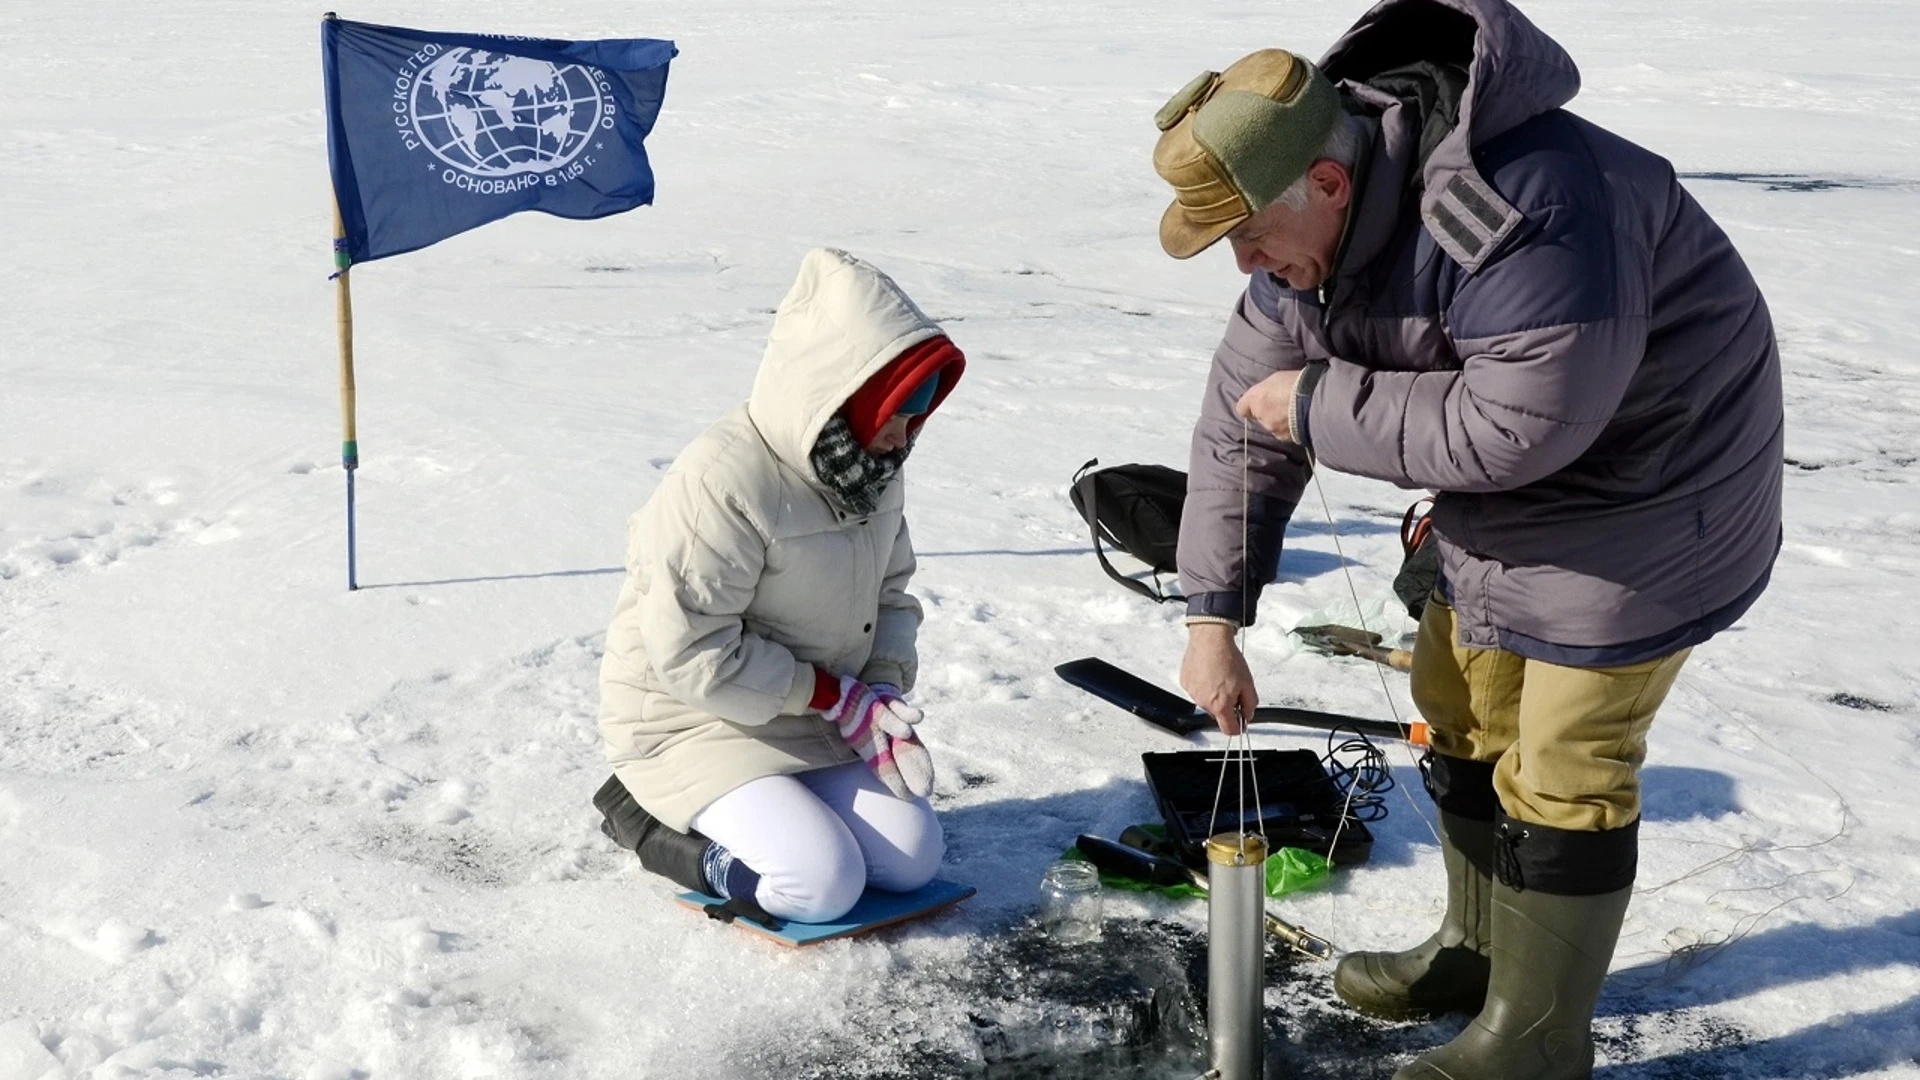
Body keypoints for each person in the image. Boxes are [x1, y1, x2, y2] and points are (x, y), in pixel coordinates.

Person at [1150, 2, 1782, 1076]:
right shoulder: (1300, 256)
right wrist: (1215, 618)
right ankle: (1478, 953)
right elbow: (1235, 425)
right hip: (1506, 496)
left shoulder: (1529, 204)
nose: (1242, 261)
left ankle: (1536, 1040)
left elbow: (1519, 421)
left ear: (1331, 184)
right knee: (1461, 710)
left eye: (1248, 232)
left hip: (1653, 493)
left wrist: (1316, 403)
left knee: (1567, 759)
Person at [592, 247, 965, 926]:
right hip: (691, 720)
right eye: (903, 404)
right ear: (845, 393)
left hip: (812, 714)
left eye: (925, 405)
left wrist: (877, 691)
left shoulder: (873, 468)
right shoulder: (724, 480)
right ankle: (646, 821)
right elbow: (691, 651)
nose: (912, 430)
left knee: (913, 860)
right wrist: (831, 694)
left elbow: (891, 595)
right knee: (821, 885)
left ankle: (787, 813)